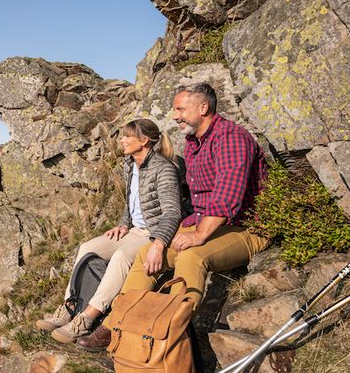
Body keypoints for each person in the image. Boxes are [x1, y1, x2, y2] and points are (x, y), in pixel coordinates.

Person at [74, 83, 270, 351]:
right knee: (146, 254)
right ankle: (115, 326)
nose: (175, 116)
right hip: (203, 221)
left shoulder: (231, 138)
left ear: (203, 108)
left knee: (192, 256)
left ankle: (168, 333)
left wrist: (198, 235)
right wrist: (161, 240)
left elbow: (227, 198)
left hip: (246, 227)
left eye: (180, 109)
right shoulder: (193, 142)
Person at [36, 118, 183, 343]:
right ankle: (69, 307)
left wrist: (159, 243)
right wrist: (124, 223)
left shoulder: (163, 169)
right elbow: (131, 203)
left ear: (144, 141)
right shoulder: (129, 164)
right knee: (87, 248)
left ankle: (87, 318)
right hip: (134, 230)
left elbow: (172, 213)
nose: (122, 140)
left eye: (128, 136)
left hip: (153, 233)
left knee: (121, 257)